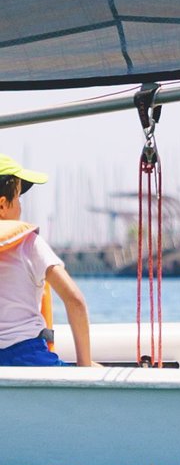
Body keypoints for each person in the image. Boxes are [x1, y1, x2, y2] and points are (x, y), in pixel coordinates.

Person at [0, 154, 95, 367]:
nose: (21, 207)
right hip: (28, 358)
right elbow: (75, 301)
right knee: (95, 370)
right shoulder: (29, 244)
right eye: (18, 199)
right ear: (3, 205)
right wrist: (86, 367)